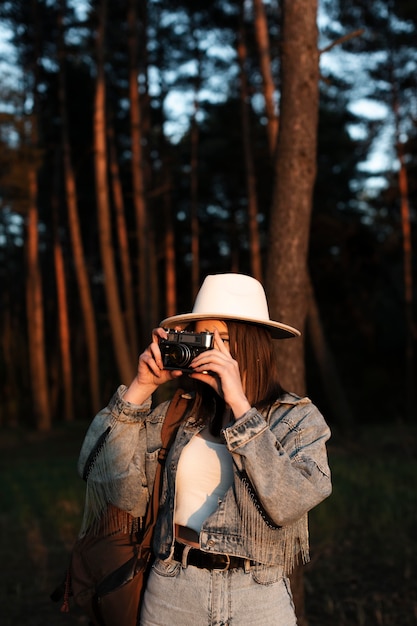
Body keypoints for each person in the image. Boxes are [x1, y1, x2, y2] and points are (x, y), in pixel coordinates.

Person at [78, 273, 332, 626]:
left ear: (253, 344)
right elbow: (105, 480)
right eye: (200, 338)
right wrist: (141, 387)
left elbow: (289, 502)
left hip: (257, 597)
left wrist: (240, 407)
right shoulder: (176, 415)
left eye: (221, 340)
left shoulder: (296, 418)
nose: (208, 350)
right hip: (173, 589)